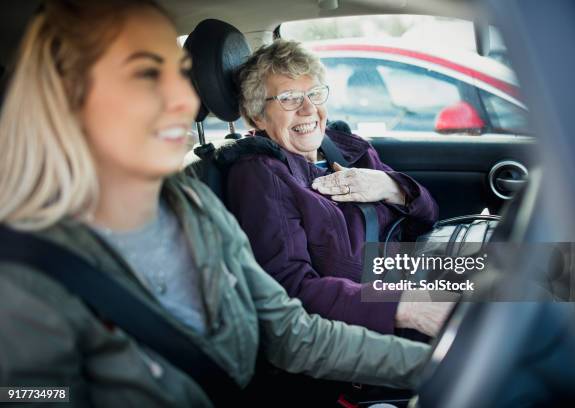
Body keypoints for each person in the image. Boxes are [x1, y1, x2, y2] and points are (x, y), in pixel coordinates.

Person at [0, 1, 432, 406]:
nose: (185, 101)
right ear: (69, 98)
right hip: (377, 287)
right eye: (147, 75)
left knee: (495, 285)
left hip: (407, 267)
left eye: (178, 75)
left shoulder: (191, 206)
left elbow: (291, 333)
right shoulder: (24, 276)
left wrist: (431, 368)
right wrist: (407, 305)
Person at [226, 39, 450, 337]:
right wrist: (407, 306)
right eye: (290, 98)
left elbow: (429, 213)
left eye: (315, 94)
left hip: (414, 267)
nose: (308, 109)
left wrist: (390, 186)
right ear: (258, 116)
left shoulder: (344, 147)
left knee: (521, 276)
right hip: (372, 316)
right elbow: (290, 289)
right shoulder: (261, 175)